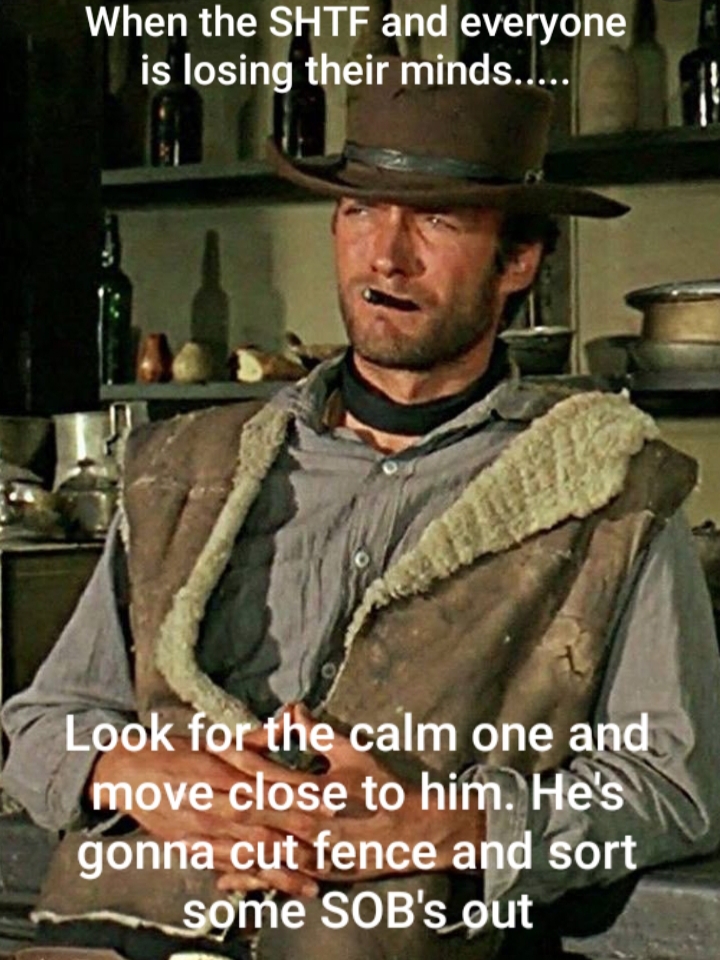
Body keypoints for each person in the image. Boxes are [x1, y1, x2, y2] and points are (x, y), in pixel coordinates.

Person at [2, 62, 720, 960]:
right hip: (122, 933)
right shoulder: (183, 468)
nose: (387, 255)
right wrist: (147, 777)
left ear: (519, 262)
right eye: (361, 211)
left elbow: (674, 788)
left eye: (437, 221)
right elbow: (42, 724)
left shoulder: (612, 492)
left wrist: (447, 825)